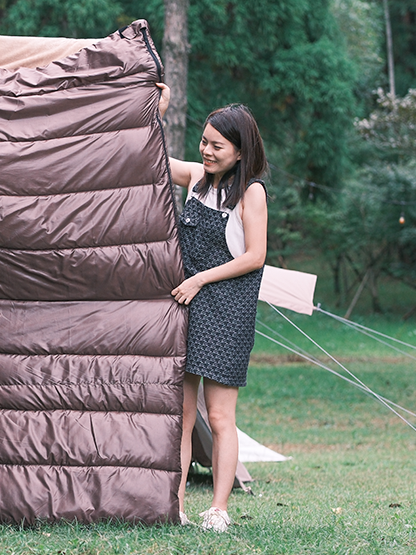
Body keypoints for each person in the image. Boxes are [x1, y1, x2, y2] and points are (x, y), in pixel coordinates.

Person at [158, 84, 268, 532]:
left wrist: (200, 278)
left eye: (217, 146)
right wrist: (156, 113)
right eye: (203, 142)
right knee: (182, 416)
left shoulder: (251, 194)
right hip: (190, 304)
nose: (206, 151)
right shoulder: (195, 180)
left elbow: (254, 256)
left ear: (240, 152)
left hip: (228, 308)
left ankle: (219, 508)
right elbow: (149, 157)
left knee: (220, 416)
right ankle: (178, 502)